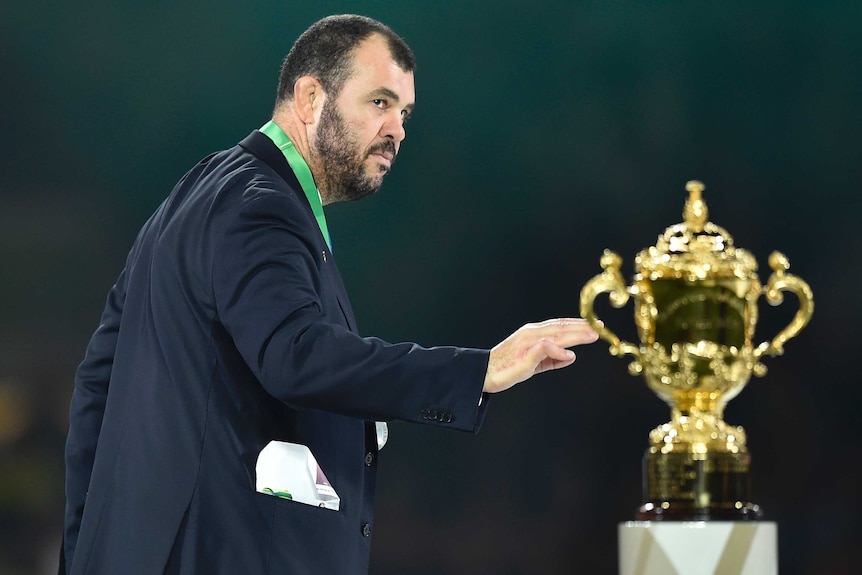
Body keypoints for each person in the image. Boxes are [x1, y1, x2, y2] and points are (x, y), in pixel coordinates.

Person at [60, 14, 599, 575]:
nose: (398, 130)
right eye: (380, 103)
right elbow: (296, 356)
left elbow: (97, 386)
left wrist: (83, 555)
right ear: (311, 97)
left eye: (405, 112)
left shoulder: (195, 196)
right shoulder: (260, 205)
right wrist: (478, 371)